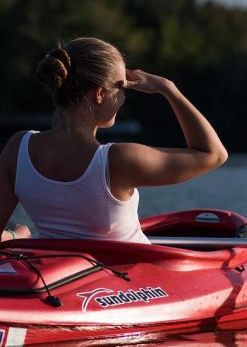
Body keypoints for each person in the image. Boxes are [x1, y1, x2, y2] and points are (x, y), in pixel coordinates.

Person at [0, 37, 228, 243]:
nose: (124, 97)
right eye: (121, 87)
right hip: (130, 281)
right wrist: (168, 89)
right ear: (99, 94)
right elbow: (214, 154)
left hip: (62, 277)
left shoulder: (17, 148)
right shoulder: (118, 160)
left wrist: (14, 235)